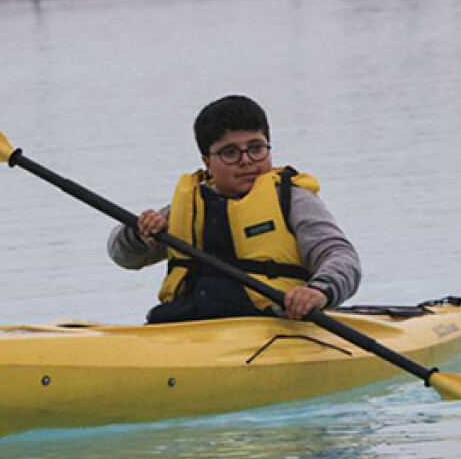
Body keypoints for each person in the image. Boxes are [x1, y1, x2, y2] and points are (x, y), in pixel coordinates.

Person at [108, 95, 361, 324]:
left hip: (272, 325)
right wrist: (140, 233)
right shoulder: (190, 206)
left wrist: (318, 291)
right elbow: (123, 256)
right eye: (230, 152)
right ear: (207, 162)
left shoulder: (292, 199)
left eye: (256, 148)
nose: (246, 160)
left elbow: (341, 257)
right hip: (185, 326)